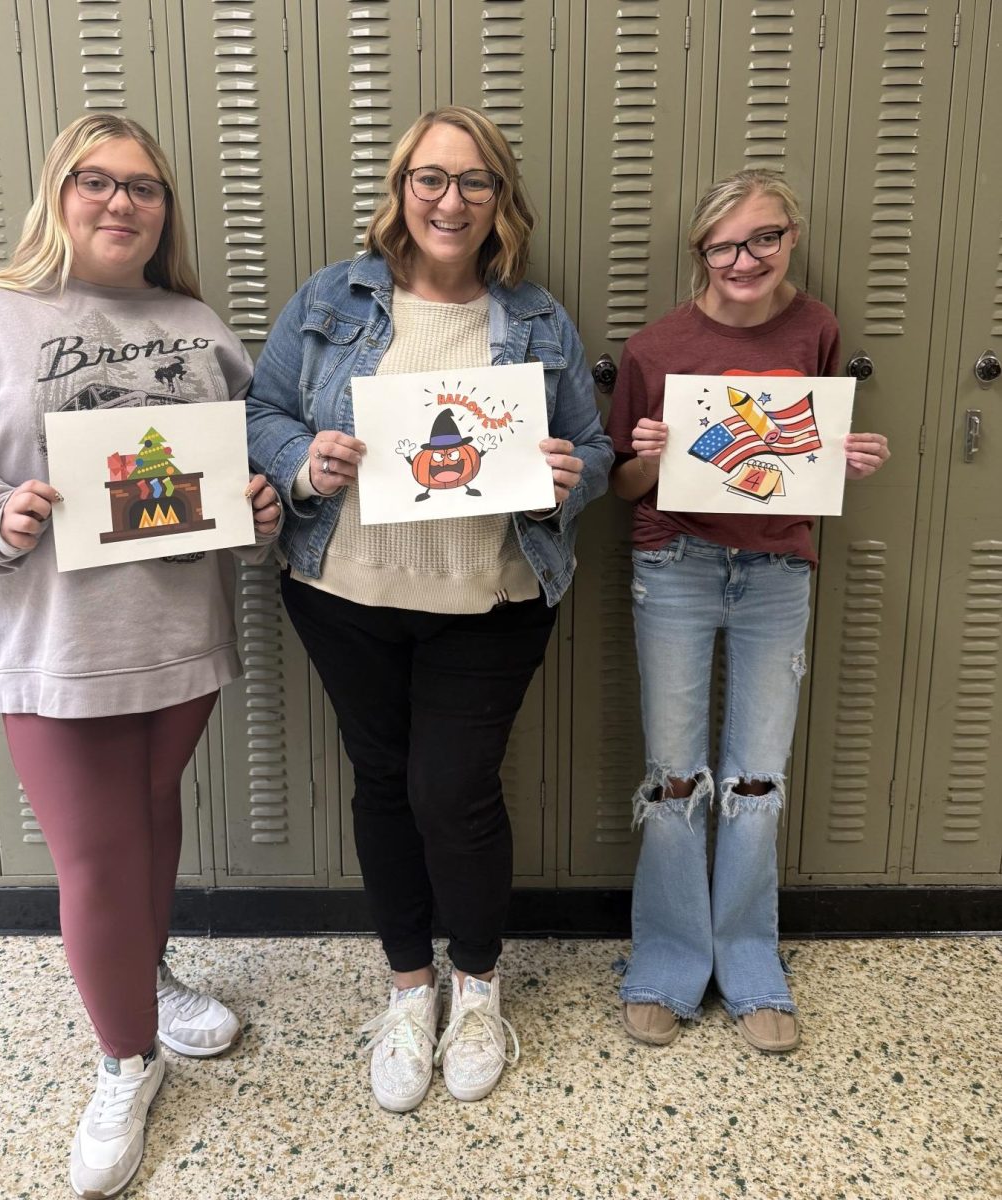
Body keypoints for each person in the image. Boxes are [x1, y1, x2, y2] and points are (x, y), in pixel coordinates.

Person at [0, 114, 281, 1197]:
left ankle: (141, 981)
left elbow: (249, 457)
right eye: (96, 183)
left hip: (180, 640)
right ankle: (124, 1059)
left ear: (166, 211)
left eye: (144, 188)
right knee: (99, 855)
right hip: (55, 644)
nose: (121, 204)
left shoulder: (195, 324)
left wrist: (258, 497)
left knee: (153, 820)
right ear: (57, 195)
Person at [246, 106, 612, 1110]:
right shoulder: (332, 298)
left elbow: (595, 451)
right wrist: (299, 461)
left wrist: (563, 479)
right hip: (342, 593)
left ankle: (478, 986)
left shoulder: (534, 318)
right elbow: (262, 412)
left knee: (452, 791)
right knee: (380, 781)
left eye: (473, 181)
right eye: (429, 179)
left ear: (500, 201)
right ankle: (409, 992)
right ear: (400, 191)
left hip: (488, 600)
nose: (450, 200)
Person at [606, 168, 889, 1053]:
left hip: (776, 571)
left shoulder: (816, 328)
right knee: (675, 776)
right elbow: (619, 486)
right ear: (700, 252)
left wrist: (847, 459)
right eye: (725, 244)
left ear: (790, 239)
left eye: (763, 238)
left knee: (757, 779)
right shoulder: (654, 347)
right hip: (677, 564)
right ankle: (666, 960)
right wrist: (648, 455)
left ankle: (749, 962)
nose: (744, 259)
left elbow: (806, 445)